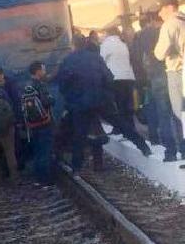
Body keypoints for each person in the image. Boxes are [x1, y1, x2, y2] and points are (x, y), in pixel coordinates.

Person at [59, 36, 151, 172]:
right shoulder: (96, 57)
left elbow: (63, 84)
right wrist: (106, 94)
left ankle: (76, 167)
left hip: (80, 103)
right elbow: (109, 77)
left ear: (72, 45)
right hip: (101, 99)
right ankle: (144, 147)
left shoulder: (68, 60)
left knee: (80, 134)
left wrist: (71, 99)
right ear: (85, 44)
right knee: (121, 124)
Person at [136, 11, 180, 160]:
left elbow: (138, 59)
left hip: (156, 77)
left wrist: (141, 81)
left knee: (163, 114)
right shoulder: (171, 27)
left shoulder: (141, 35)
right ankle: (183, 149)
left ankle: (170, 152)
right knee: (178, 114)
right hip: (174, 73)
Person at [154, 0, 185, 141]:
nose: (159, 14)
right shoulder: (183, 20)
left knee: (180, 113)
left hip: (178, 72)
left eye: (161, 9)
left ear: (170, 7)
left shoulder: (170, 24)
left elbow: (160, 53)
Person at [100, 27, 138, 130]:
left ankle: (120, 129)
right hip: (128, 77)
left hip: (115, 78)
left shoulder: (106, 44)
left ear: (107, 33)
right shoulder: (123, 43)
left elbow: (101, 60)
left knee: (118, 105)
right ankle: (131, 126)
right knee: (128, 105)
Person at [25, 62, 55, 183]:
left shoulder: (27, 86)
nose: (45, 72)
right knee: (45, 151)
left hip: (33, 124)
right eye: (43, 70)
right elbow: (47, 101)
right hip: (45, 123)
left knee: (37, 151)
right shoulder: (40, 85)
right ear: (37, 72)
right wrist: (52, 99)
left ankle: (38, 178)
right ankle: (45, 180)